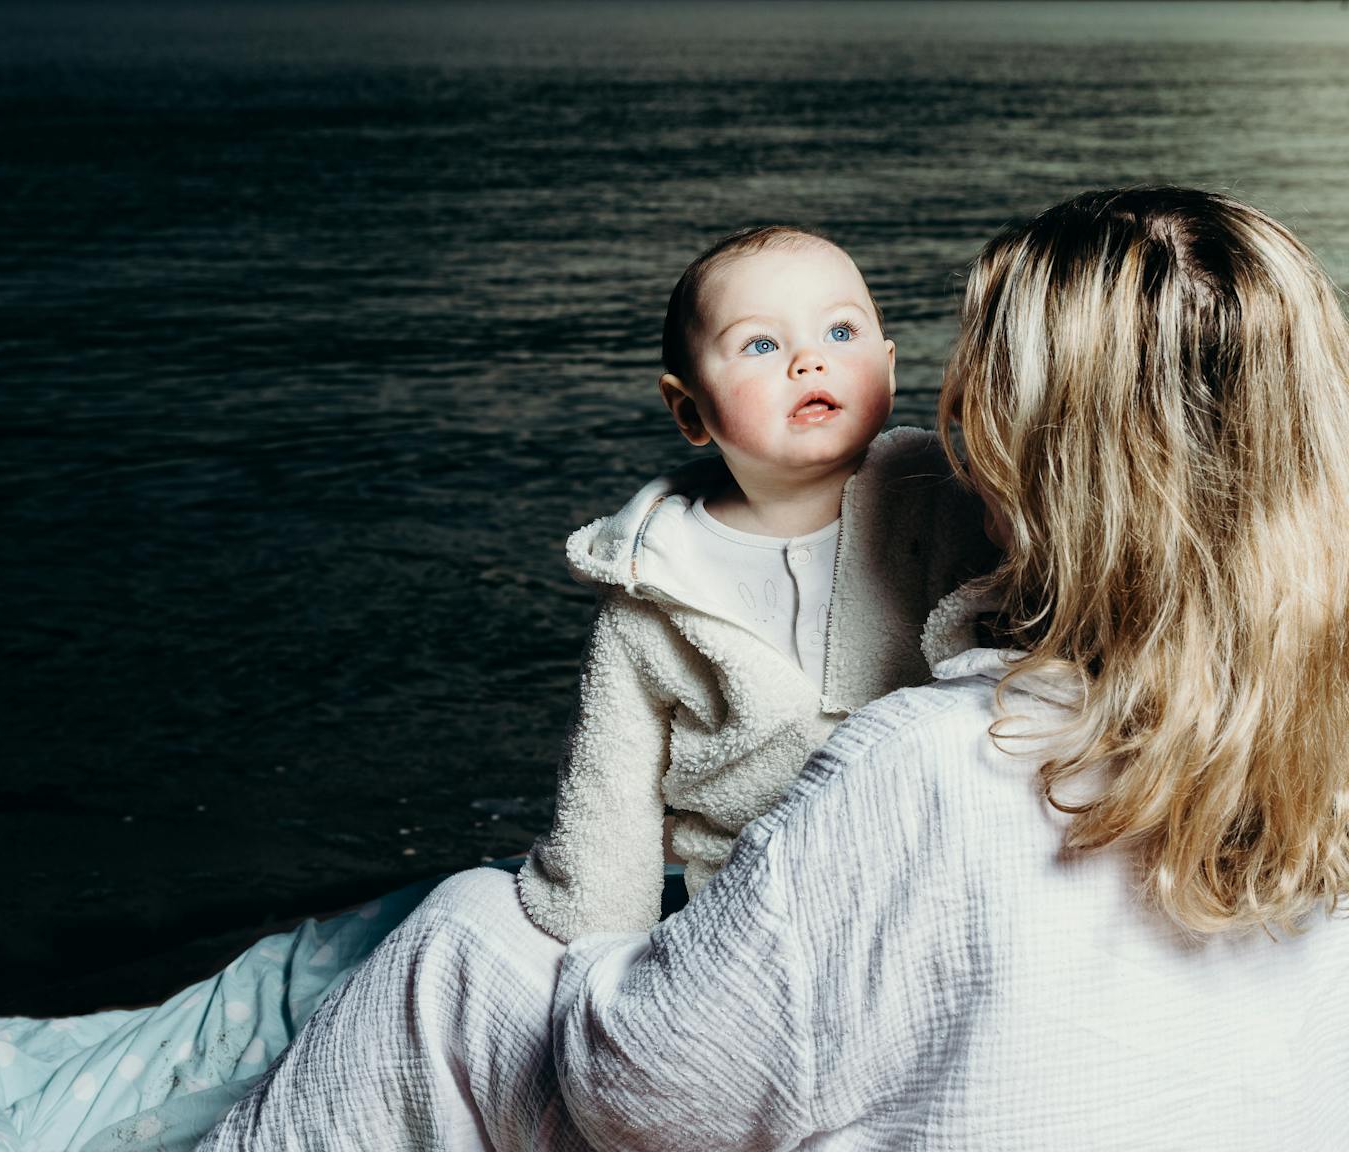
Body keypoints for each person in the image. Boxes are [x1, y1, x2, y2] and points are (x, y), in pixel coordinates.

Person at [198, 187, 1349, 1151]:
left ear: (1033, 450)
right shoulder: (1315, 720)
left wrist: (619, 955)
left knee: (456, 935)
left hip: (762, 1005)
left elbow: (636, 1087)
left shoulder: (928, 767)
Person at [519, 226, 997, 942]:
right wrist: (593, 946)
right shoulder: (658, 578)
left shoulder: (950, 510)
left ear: (890, 369)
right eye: (761, 346)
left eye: (841, 331)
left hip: (933, 872)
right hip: (749, 907)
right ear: (690, 411)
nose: (810, 360)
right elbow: (608, 794)